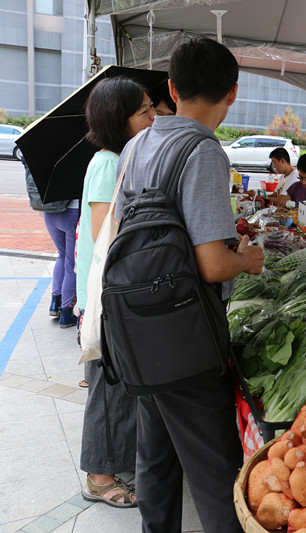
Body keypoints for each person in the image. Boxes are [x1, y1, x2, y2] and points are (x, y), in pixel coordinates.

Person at [114, 37, 262, 533]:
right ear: (233, 94)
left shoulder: (137, 144)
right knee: (216, 471)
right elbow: (214, 266)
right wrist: (251, 259)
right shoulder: (203, 152)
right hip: (184, 334)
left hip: (136, 327)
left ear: (172, 88)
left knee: (154, 459)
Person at [75, 76, 155, 508]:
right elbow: (107, 233)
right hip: (108, 298)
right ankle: (99, 477)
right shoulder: (109, 163)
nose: (153, 116)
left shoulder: (119, 158)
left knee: (118, 386)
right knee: (108, 388)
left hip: (113, 295)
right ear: (118, 120)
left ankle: (113, 462)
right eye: (143, 111)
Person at [21, 153, 79, 327]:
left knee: (61, 256)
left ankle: (55, 303)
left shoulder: (45, 152)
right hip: (71, 212)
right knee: (71, 263)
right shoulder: (73, 155)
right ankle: (67, 312)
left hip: (49, 212)